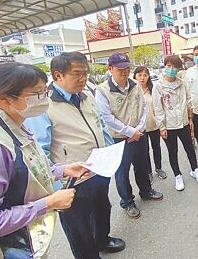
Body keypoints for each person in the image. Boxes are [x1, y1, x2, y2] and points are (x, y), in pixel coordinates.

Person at [25, 52, 125, 259]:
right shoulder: (44, 106)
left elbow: (101, 125)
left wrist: (109, 153)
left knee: (102, 207)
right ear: (57, 75)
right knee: (78, 226)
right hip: (71, 179)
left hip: (98, 168)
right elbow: (39, 152)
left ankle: (102, 240)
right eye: (77, 74)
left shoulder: (87, 96)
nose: (83, 79)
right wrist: (56, 185)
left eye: (85, 74)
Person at [0, 63, 90, 258]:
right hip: (7, 247)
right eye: (36, 94)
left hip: (28, 238)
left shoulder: (16, 124)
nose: (44, 99)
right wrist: (48, 203)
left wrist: (62, 170)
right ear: (3, 98)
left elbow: (24, 170)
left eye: (45, 92)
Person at [95, 53, 163, 219]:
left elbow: (144, 108)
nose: (124, 72)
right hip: (118, 138)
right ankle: (127, 201)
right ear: (110, 69)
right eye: (120, 69)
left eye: (127, 68)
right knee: (122, 172)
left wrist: (138, 130)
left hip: (139, 134)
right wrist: (130, 132)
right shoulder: (102, 90)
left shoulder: (135, 85)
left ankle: (146, 191)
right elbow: (106, 117)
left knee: (142, 165)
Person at [152, 55, 198, 191]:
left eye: (174, 67)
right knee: (172, 151)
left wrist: (190, 119)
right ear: (164, 66)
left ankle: (194, 169)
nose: (171, 69)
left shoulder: (182, 83)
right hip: (169, 125)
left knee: (189, 147)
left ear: (178, 68)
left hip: (184, 123)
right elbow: (158, 108)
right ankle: (178, 175)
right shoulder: (158, 86)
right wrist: (162, 127)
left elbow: (188, 101)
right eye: (168, 66)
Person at [133, 66, 167, 183]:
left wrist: (162, 124)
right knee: (145, 150)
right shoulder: (133, 91)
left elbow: (159, 107)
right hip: (140, 128)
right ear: (135, 76)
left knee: (156, 147)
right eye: (140, 75)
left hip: (154, 125)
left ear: (148, 77)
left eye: (145, 75)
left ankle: (159, 168)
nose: (142, 78)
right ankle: (148, 172)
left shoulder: (153, 90)